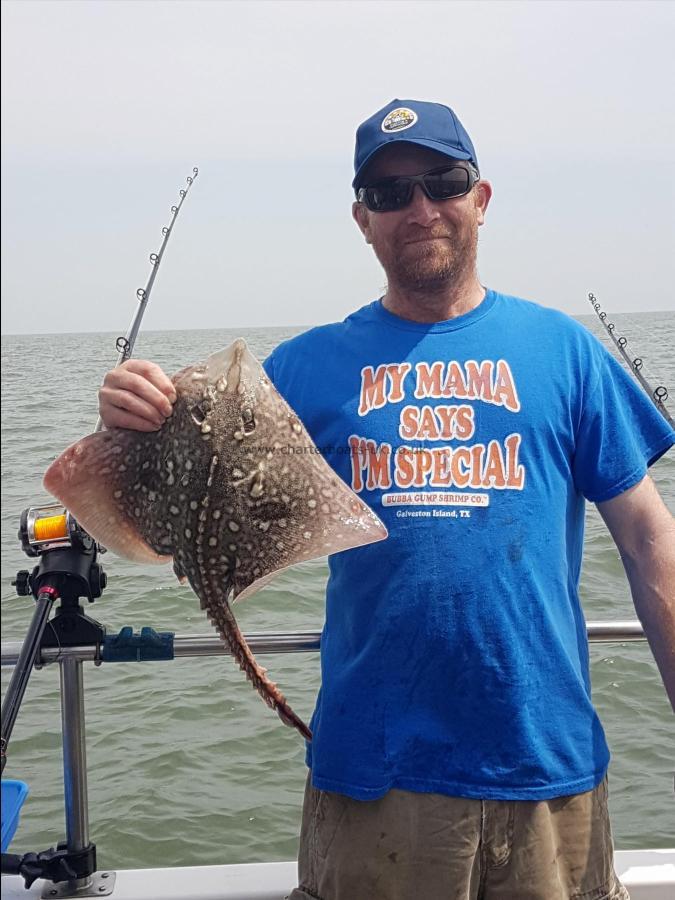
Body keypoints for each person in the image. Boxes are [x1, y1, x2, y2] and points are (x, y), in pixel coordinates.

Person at [98, 99, 675, 900]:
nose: (419, 208)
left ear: (480, 198)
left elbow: (650, 543)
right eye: (389, 194)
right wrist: (132, 429)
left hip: (548, 765)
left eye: (443, 181)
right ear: (361, 220)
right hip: (374, 776)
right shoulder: (300, 370)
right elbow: (184, 519)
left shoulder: (564, 351)